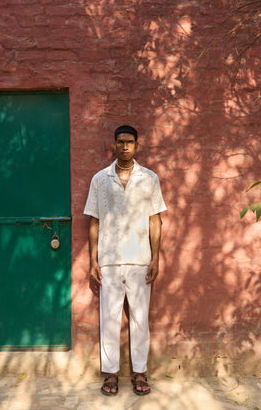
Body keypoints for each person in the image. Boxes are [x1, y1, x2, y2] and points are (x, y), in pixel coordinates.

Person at [83, 125, 167, 396]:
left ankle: (140, 373)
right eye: (120, 142)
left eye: (130, 142)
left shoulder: (149, 178)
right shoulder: (100, 179)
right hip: (108, 260)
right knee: (109, 318)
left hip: (140, 259)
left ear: (137, 145)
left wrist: (155, 257)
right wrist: (93, 260)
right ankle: (111, 375)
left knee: (140, 319)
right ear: (114, 144)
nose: (125, 147)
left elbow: (156, 219)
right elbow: (94, 220)